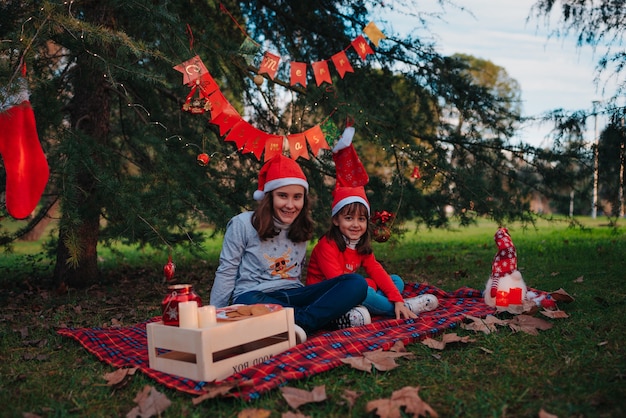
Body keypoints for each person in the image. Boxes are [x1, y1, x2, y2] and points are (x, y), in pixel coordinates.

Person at [209, 154, 369, 343]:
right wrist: (214, 320)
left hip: (294, 293)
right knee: (250, 303)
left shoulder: (301, 226)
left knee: (356, 283)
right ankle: (317, 321)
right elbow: (226, 271)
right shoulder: (242, 224)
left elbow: (297, 279)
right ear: (269, 197)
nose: (290, 205)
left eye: (297, 197)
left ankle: (299, 323)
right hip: (253, 296)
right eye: (282, 196)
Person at [306, 124, 438, 321]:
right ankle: (399, 307)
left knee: (394, 281)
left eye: (361, 219)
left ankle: (388, 304)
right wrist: (377, 293)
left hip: (351, 287)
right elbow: (339, 284)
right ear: (336, 219)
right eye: (348, 218)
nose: (356, 225)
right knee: (363, 289)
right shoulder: (327, 246)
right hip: (326, 294)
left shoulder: (359, 244)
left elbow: (375, 269)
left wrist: (395, 296)